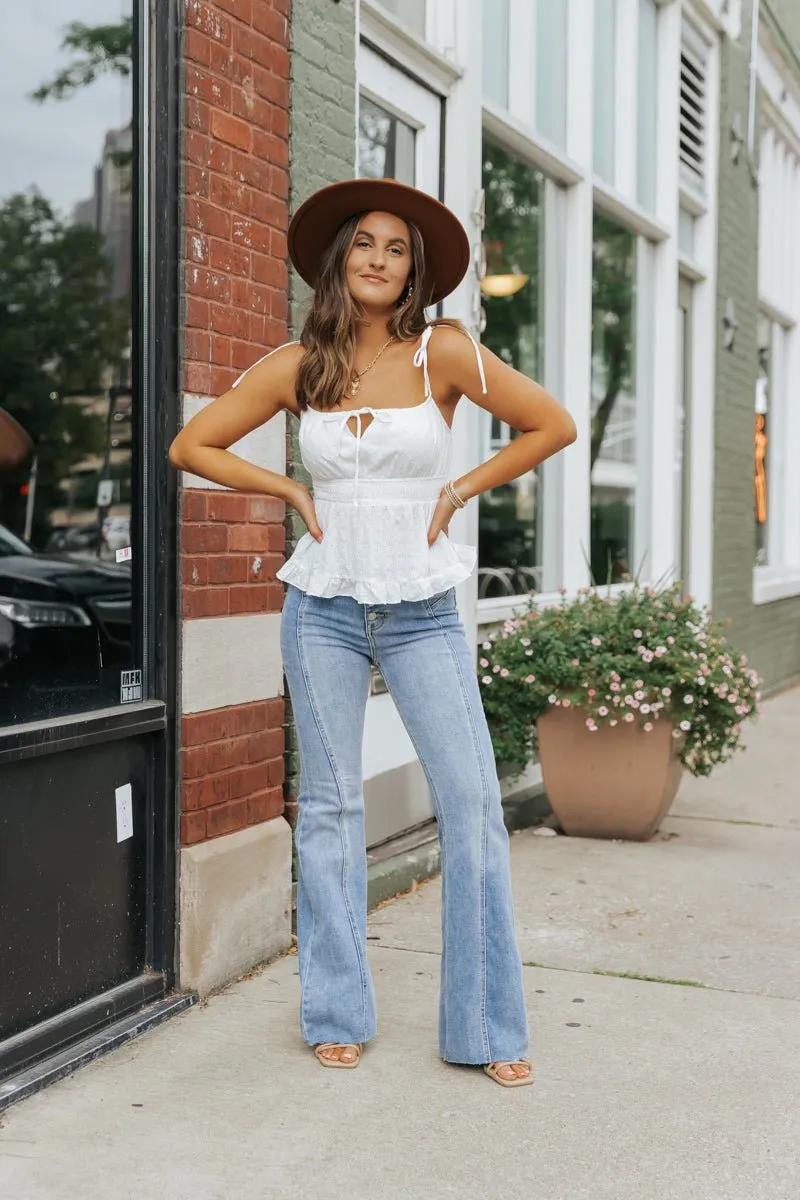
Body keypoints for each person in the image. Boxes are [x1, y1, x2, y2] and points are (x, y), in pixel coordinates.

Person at [169, 178, 576, 1088]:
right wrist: (285, 490)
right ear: (338, 259)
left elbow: (552, 424)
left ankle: (485, 1024)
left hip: (422, 609)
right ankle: (337, 1011)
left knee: (471, 803)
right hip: (322, 607)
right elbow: (191, 446)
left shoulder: (445, 351)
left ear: (413, 268)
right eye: (366, 246)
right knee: (329, 811)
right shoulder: (296, 364)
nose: (380, 261)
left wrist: (461, 489)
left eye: (397, 249)